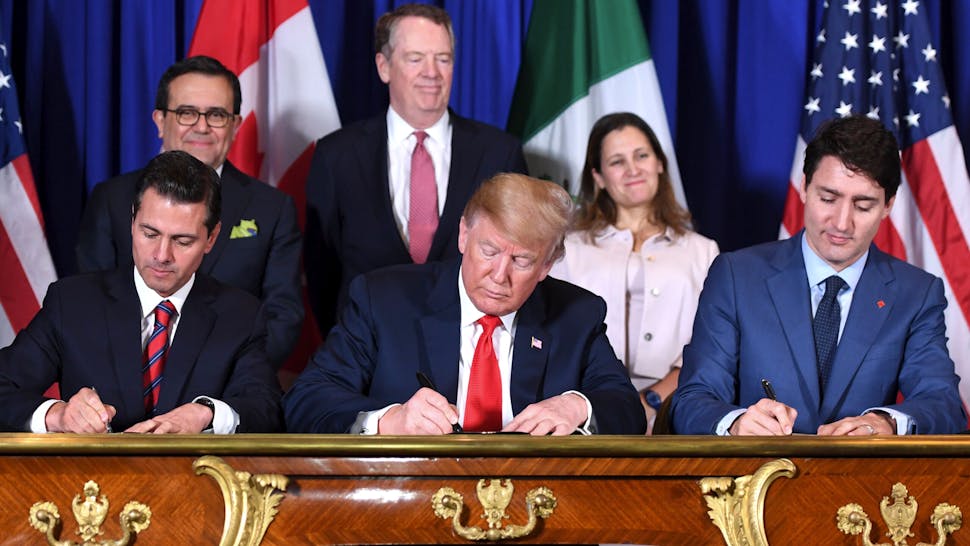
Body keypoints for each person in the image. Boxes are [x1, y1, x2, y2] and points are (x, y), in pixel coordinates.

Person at [284, 173, 646, 435]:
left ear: (547, 265)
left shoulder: (576, 314)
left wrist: (575, 406)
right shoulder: (383, 300)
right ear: (463, 235)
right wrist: (389, 420)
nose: (499, 275)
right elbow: (306, 401)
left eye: (521, 261)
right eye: (488, 251)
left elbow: (626, 409)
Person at [671, 115, 965, 436]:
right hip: (757, 478)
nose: (841, 223)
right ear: (804, 188)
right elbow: (692, 400)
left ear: (888, 205)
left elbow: (944, 405)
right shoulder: (736, 276)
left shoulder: (917, 293)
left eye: (863, 205)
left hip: (860, 483)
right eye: (828, 198)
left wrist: (886, 423)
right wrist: (737, 423)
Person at [0, 151, 283, 434]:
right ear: (133, 221)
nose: (162, 255)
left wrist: (206, 414)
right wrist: (57, 415)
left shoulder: (240, 315)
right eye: (150, 234)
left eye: (182, 241)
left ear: (211, 237)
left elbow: (267, 410)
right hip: (90, 478)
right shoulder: (72, 303)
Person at [304, 3, 528, 336]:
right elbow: (322, 273)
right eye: (415, 58)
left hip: (467, 353)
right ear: (384, 66)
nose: (432, 72)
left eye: (443, 59)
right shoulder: (336, 155)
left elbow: (518, 259)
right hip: (365, 354)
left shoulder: (499, 153)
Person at [76, 55, 302, 369]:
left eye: (217, 115)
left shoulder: (273, 209)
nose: (201, 126)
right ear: (159, 120)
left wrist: (218, 380)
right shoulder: (112, 198)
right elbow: (87, 303)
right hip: (123, 388)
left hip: (228, 393)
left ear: (235, 125)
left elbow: (282, 318)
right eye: (186, 113)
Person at [550, 113, 718, 432]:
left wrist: (652, 399)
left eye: (641, 156)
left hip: (677, 411)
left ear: (659, 163)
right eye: (617, 161)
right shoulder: (568, 250)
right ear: (598, 176)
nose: (633, 169)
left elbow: (712, 347)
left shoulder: (703, 251)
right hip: (586, 416)